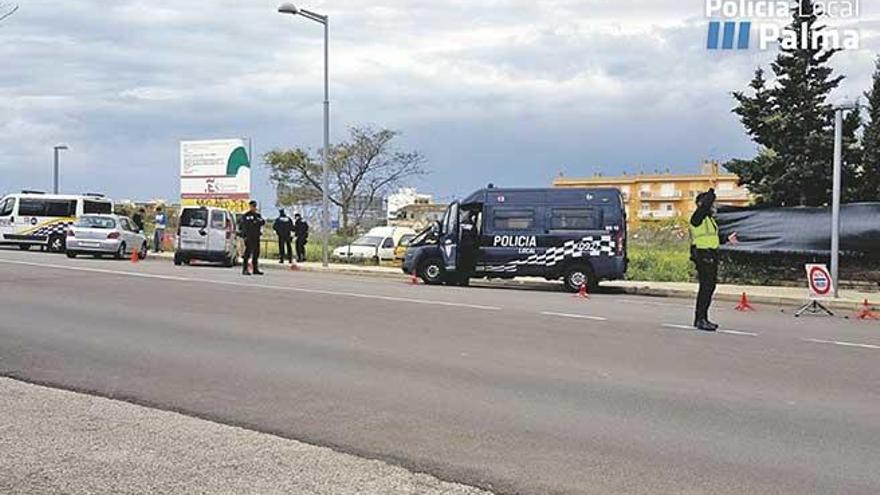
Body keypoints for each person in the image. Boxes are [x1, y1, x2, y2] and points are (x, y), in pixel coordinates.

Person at [690, 188, 738, 331]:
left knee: (709, 288)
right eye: (711, 204)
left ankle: (703, 318)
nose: (713, 207)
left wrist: (726, 239)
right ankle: (700, 319)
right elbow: (705, 205)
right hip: (702, 255)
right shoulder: (697, 218)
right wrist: (712, 192)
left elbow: (712, 237)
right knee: (705, 288)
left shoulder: (709, 220)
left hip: (711, 254)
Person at [238, 200, 265, 275]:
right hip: (248, 237)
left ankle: (255, 269)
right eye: (253, 206)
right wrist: (244, 236)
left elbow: (262, 222)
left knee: (256, 253)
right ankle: (245, 269)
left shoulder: (258, 215)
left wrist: (256, 222)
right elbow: (243, 226)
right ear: (250, 206)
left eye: (255, 206)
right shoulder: (246, 215)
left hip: (256, 237)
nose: (254, 208)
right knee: (247, 254)